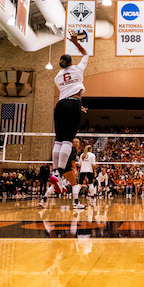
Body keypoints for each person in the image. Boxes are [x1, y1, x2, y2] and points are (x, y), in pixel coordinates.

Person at [49, 33, 88, 209]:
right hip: (73, 103)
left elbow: (66, 92)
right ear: (71, 62)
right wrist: (76, 42)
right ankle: (58, 172)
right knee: (67, 140)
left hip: (60, 105)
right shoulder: (77, 69)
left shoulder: (57, 77)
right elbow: (86, 54)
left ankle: (56, 171)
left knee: (58, 139)